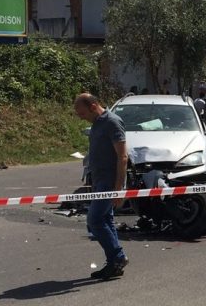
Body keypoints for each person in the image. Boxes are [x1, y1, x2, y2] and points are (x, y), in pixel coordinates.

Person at [73, 93, 129, 280]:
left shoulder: (112, 122)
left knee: (95, 221)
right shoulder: (97, 124)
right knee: (105, 220)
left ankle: (118, 257)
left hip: (109, 181)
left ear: (93, 105)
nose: (80, 117)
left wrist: (118, 188)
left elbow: (122, 157)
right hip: (99, 180)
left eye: (81, 112)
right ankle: (114, 263)